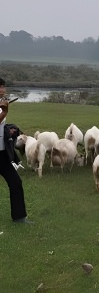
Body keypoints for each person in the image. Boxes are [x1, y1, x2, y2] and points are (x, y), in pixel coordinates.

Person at [0, 77, 32, 223]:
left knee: (15, 182)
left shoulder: (1, 104)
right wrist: (4, 113)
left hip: (2, 153)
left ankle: (19, 217)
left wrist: (8, 131)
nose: (3, 90)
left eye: (3, 87)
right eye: (0, 87)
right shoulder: (3, 108)